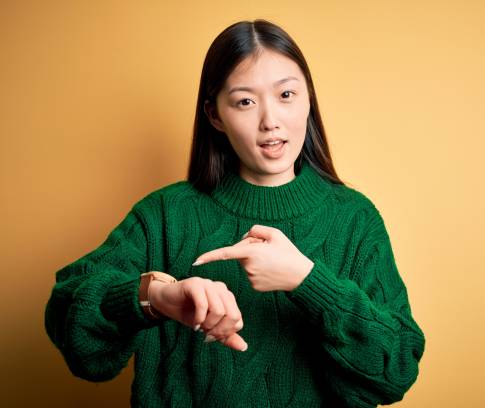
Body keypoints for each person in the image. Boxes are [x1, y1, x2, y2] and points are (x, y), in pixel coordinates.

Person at [44, 19, 426, 407]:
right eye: (245, 101)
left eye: (287, 95)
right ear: (214, 116)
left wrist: (307, 282)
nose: (270, 121)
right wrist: (157, 298)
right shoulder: (164, 215)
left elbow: (395, 372)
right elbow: (69, 321)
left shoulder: (354, 219)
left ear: (309, 98)